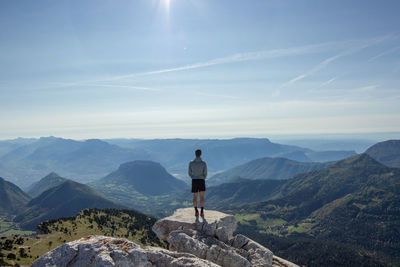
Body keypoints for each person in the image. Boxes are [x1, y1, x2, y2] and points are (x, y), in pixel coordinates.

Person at [188, 149, 207, 216]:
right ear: (200, 154)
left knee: (195, 197)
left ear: (195, 154)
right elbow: (205, 173)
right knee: (202, 197)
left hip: (194, 180)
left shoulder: (191, 163)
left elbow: (189, 173)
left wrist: (193, 177)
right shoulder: (203, 163)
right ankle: (202, 211)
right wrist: (202, 178)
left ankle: (196, 211)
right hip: (201, 180)